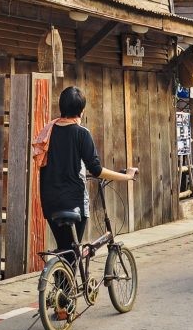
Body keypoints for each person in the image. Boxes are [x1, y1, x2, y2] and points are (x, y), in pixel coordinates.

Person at [36, 86, 137, 254]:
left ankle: (61, 269)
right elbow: (96, 170)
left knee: (65, 250)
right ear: (82, 111)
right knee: (72, 252)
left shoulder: (48, 131)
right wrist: (126, 176)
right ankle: (69, 268)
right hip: (73, 202)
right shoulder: (81, 133)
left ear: (61, 107)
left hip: (50, 201)